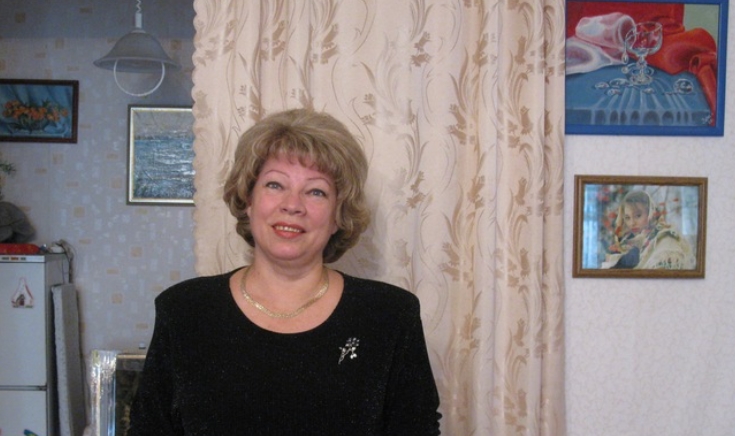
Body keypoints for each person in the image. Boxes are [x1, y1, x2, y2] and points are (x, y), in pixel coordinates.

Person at [128, 108, 442, 435]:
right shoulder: (184, 311)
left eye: (316, 191)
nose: (292, 205)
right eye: (275, 185)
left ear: (339, 214)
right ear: (248, 199)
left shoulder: (390, 316)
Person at [603, 189, 695, 270]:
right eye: (627, 218)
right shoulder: (627, 243)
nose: (632, 223)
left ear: (651, 213)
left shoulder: (666, 239)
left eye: (638, 215)